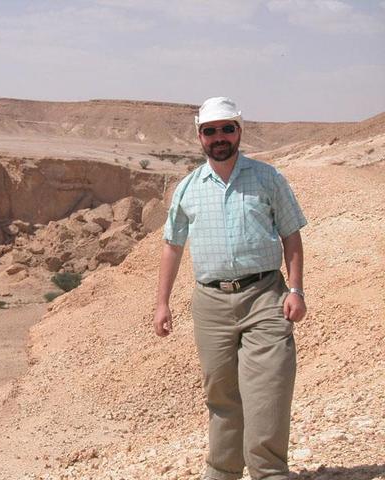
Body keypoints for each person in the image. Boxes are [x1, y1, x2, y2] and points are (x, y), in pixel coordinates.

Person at [153, 97, 307, 480]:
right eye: (210, 131)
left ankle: (269, 472)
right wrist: (162, 303)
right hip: (210, 303)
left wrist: (297, 290)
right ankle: (222, 472)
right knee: (221, 395)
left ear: (239, 130)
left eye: (226, 128)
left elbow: (291, 235)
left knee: (268, 392)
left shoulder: (268, 178)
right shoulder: (188, 188)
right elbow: (173, 246)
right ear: (199, 136)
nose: (218, 137)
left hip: (266, 296)